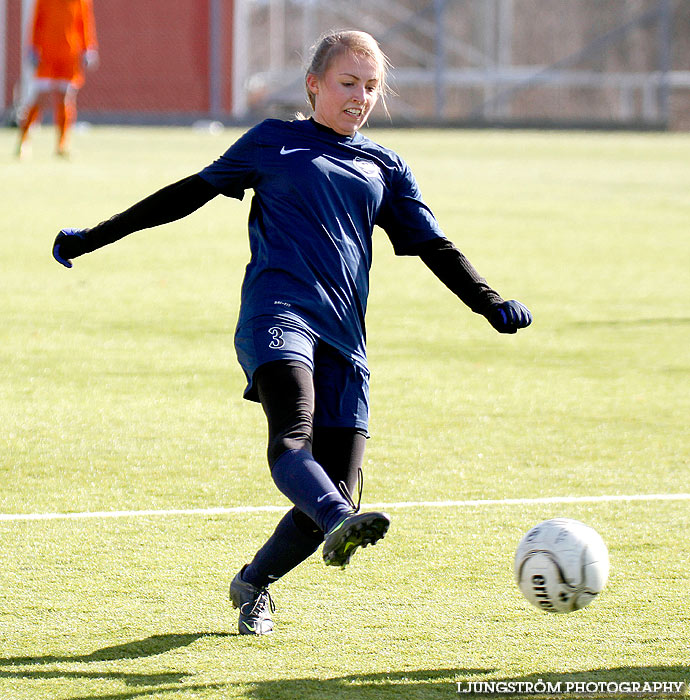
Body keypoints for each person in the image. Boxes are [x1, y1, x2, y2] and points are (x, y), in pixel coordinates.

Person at [52, 30, 532, 636]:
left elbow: (431, 245)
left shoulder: (382, 165)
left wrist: (488, 301)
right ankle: (334, 517)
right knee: (294, 442)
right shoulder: (272, 141)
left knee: (338, 488)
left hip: (344, 340)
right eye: (347, 83)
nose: (360, 97)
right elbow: (185, 196)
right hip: (278, 314)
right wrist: (95, 236)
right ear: (314, 85)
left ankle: (255, 581)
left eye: (371, 87)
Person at [17, 0, 98, 158]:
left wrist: (88, 48)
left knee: (65, 98)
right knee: (40, 98)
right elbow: (37, 22)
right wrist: (33, 47)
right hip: (47, 53)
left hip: (69, 55)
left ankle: (62, 144)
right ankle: (23, 139)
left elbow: (85, 23)